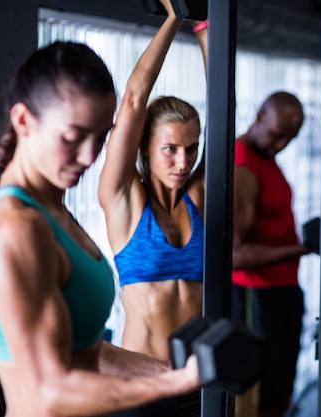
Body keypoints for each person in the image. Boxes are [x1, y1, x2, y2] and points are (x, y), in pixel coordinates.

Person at [0, 39, 200, 416]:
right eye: (73, 137)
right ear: (23, 121)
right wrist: (178, 383)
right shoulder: (15, 227)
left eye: (100, 138)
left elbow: (86, 349)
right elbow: (50, 392)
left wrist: (174, 370)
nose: (88, 156)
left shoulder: (54, 211)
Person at [97, 1, 208, 416]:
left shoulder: (198, 200)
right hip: (140, 387)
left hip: (198, 382)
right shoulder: (123, 202)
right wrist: (173, 17)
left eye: (192, 148)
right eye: (171, 149)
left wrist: (206, 22)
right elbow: (132, 100)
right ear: (144, 147)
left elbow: (226, 110)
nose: (184, 162)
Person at [231, 91, 312, 417]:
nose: (281, 144)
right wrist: (303, 248)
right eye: (277, 134)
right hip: (256, 298)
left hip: (278, 294)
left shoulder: (264, 158)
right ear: (260, 115)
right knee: (258, 400)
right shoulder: (243, 167)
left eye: (289, 138)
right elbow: (233, 255)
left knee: (279, 394)